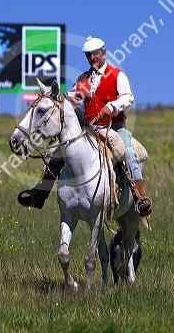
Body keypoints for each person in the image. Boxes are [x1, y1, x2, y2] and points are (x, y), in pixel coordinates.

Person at [17, 36, 152, 217]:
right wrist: (60, 98)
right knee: (57, 155)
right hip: (90, 129)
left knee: (127, 151)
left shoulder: (117, 74)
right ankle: (39, 194)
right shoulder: (83, 79)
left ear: (103, 52)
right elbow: (72, 98)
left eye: (95, 53)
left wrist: (111, 106)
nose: (92, 57)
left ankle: (140, 198)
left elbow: (128, 98)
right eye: (88, 55)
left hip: (115, 127)